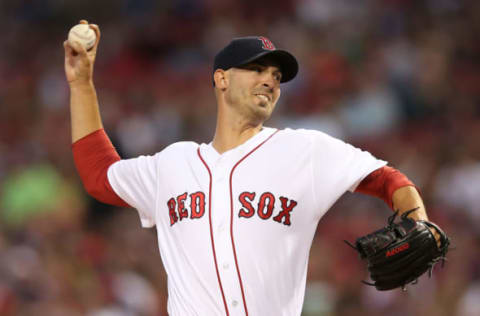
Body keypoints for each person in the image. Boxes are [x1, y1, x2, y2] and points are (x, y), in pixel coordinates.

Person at [64, 20, 434, 315]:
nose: (270, 79)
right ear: (221, 79)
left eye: (276, 75)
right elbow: (99, 176)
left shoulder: (304, 149)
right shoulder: (173, 163)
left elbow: (389, 180)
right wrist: (81, 84)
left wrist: (418, 221)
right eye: (257, 69)